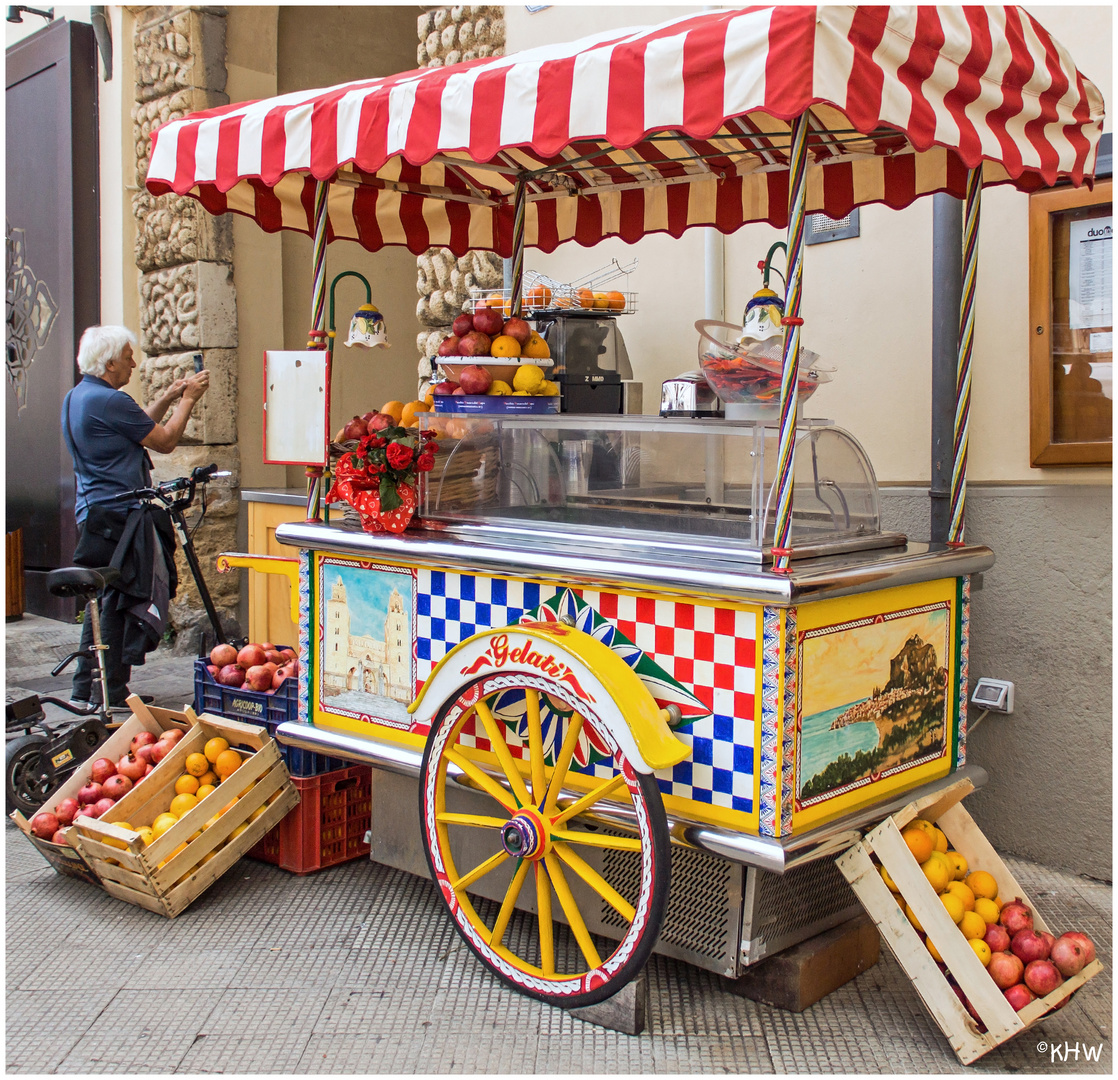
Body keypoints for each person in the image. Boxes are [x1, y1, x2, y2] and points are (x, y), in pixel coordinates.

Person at [61, 325, 210, 708]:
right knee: (119, 600)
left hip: (94, 511)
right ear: (109, 363)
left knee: (105, 595)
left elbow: (136, 423)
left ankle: (89, 686)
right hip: (120, 514)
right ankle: (108, 690)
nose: (133, 362)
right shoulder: (111, 401)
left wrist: (167, 395)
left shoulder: (80, 396)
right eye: (128, 356)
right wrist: (188, 400)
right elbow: (164, 440)